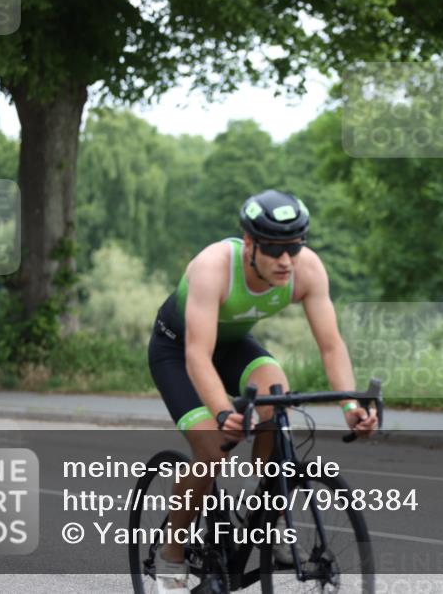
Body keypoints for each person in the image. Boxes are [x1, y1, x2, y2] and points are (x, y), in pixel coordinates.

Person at [147, 189, 378, 594]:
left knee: (278, 397)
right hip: (177, 350)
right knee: (211, 448)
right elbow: (197, 356)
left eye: (293, 247)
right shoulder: (213, 267)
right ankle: (173, 554)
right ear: (250, 244)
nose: (286, 260)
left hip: (233, 347)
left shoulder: (306, 271)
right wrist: (223, 412)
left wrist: (351, 405)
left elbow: (331, 345)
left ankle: (264, 516)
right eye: (274, 249)